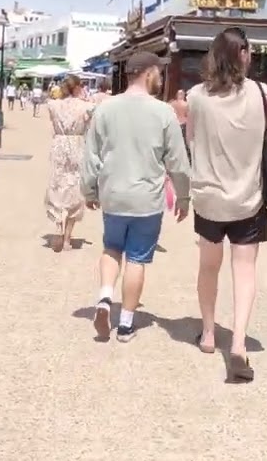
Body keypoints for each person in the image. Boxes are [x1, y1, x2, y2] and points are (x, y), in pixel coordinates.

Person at [185, 27, 267, 383]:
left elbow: (191, 140)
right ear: (243, 54)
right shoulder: (265, 93)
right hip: (248, 198)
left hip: (209, 198)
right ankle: (239, 344)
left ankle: (209, 334)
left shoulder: (196, 96)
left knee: (208, 267)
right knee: (244, 271)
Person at [81, 52, 190, 343]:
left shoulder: (105, 109)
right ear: (148, 74)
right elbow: (178, 161)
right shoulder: (163, 112)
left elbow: (91, 154)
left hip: (114, 194)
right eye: (160, 73)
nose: (163, 78)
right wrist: (183, 196)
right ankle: (126, 323)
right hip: (147, 199)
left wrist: (89, 189)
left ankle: (105, 298)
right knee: (137, 259)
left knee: (111, 248)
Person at [44, 75, 94, 253]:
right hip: (77, 144)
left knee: (57, 184)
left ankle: (58, 227)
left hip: (59, 143)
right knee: (75, 188)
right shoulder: (86, 106)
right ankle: (67, 238)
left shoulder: (54, 105)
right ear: (78, 87)